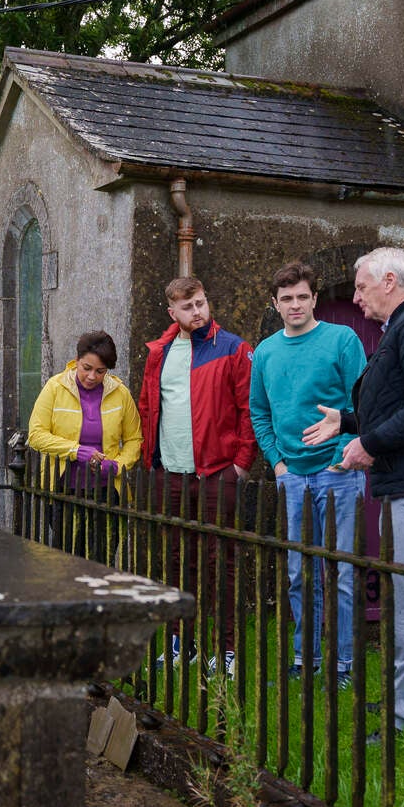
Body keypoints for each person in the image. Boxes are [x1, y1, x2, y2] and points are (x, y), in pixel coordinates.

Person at [305, 246, 404, 734]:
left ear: (390, 282)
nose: (355, 297)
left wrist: (368, 444)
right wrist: (349, 422)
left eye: (361, 286)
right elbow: (403, 403)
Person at [249, 261, 367, 686]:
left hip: (338, 471)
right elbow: (259, 413)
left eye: (302, 296)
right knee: (299, 572)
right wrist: (277, 464)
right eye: (286, 299)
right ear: (275, 304)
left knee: (341, 572)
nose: (295, 305)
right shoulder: (264, 352)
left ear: (315, 298)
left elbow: (366, 403)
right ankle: (306, 656)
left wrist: (345, 453)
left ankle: (343, 662)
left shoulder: (342, 340)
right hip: (293, 476)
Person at [137, 276, 254, 675]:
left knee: (220, 562)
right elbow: (149, 407)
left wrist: (240, 464)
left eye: (201, 303)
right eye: (188, 307)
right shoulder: (159, 353)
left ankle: (225, 650)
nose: (198, 311)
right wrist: (149, 457)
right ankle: (179, 643)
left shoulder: (234, 348)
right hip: (170, 471)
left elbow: (248, 409)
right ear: (173, 312)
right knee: (172, 560)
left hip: (217, 471)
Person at [26, 331, 142, 559]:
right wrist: (76, 451)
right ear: (76, 360)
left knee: (103, 557)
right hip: (63, 488)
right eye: (86, 367)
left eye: (100, 371)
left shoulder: (120, 393)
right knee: (67, 558)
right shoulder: (55, 387)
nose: (92, 376)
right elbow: (36, 435)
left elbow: (134, 439)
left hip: (107, 491)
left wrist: (117, 465)